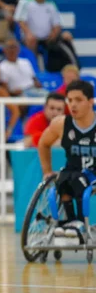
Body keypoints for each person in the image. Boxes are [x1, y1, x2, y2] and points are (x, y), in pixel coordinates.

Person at [39, 80, 96, 237]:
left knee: (77, 180)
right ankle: (70, 222)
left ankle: (79, 222)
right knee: (63, 179)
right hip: (73, 170)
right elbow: (43, 144)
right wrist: (47, 171)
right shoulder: (61, 124)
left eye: (78, 100)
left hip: (93, 173)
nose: (73, 105)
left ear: (91, 101)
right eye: (69, 100)